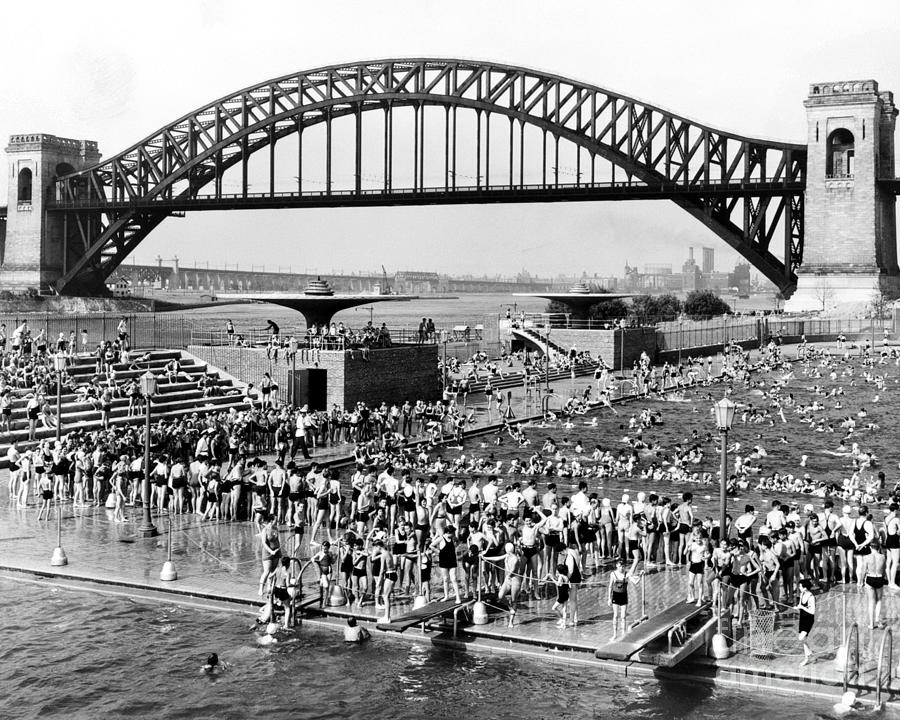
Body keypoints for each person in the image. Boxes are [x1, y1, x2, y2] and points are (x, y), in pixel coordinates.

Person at [796, 578, 815, 666]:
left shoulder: (811, 597)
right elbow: (800, 605)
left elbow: (812, 612)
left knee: (801, 638)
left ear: (805, 588)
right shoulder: (802, 594)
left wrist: (802, 607)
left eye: (800, 586)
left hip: (809, 619)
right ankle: (808, 657)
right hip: (802, 618)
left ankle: (809, 654)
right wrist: (797, 607)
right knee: (803, 639)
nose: (799, 587)